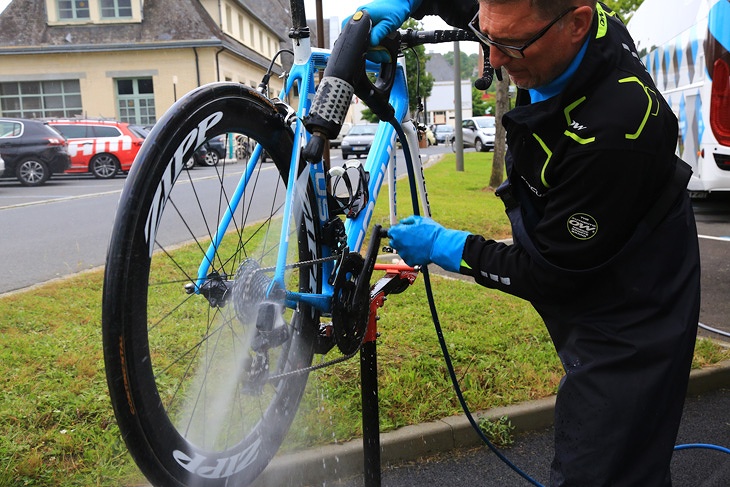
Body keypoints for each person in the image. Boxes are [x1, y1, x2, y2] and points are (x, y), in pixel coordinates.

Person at [352, 1, 701, 485]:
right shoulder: (538, 20)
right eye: (486, 36)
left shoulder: (616, 130)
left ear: (577, 24)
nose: (492, 60)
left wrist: (446, 246)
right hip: (593, 235)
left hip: (636, 306)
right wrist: (409, 2)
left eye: (510, 46)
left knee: (602, 467)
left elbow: (549, 273)